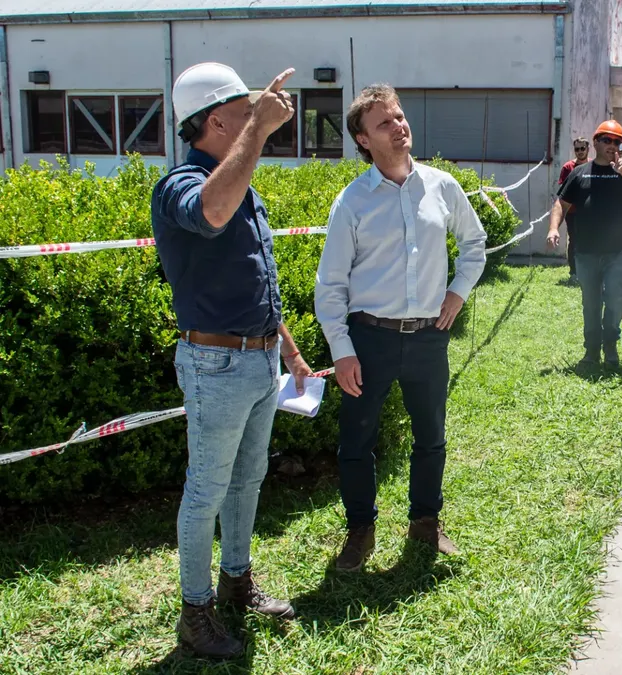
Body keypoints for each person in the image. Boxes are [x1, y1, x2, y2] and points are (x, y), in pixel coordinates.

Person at [151, 62, 313, 659]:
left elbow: (259, 285)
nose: (258, 120)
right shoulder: (179, 186)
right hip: (215, 365)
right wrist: (261, 131)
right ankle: (196, 615)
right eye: (246, 113)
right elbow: (212, 213)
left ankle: (237, 583)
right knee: (207, 490)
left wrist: (290, 352)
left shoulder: (243, 184)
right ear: (217, 120)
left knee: (248, 478)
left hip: (258, 360)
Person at [315, 84, 487, 572]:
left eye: (399, 116)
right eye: (384, 123)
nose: (399, 127)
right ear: (363, 139)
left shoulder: (441, 186)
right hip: (369, 339)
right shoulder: (352, 202)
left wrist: (457, 293)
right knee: (356, 442)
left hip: (429, 336)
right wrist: (342, 350)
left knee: (431, 435)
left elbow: (474, 243)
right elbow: (330, 284)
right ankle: (360, 531)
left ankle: (425, 522)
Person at [546, 120, 622, 367]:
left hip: (619, 251)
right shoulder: (580, 173)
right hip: (586, 251)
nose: (612, 145)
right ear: (595, 143)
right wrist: (553, 228)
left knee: (615, 300)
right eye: (607, 140)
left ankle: (611, 347)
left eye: (617, 141)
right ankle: (591, 351)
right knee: (591, 304)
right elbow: (561, 203)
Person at [558, 137, 590, 283]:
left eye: (582, 148)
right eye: (577, 149)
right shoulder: (567, 168)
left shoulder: (593, 166)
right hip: (573, 212)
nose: (580, 152)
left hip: (590, 212)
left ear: (588, 149)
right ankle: (574, 273)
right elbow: (563, 190)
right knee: (575, 241)